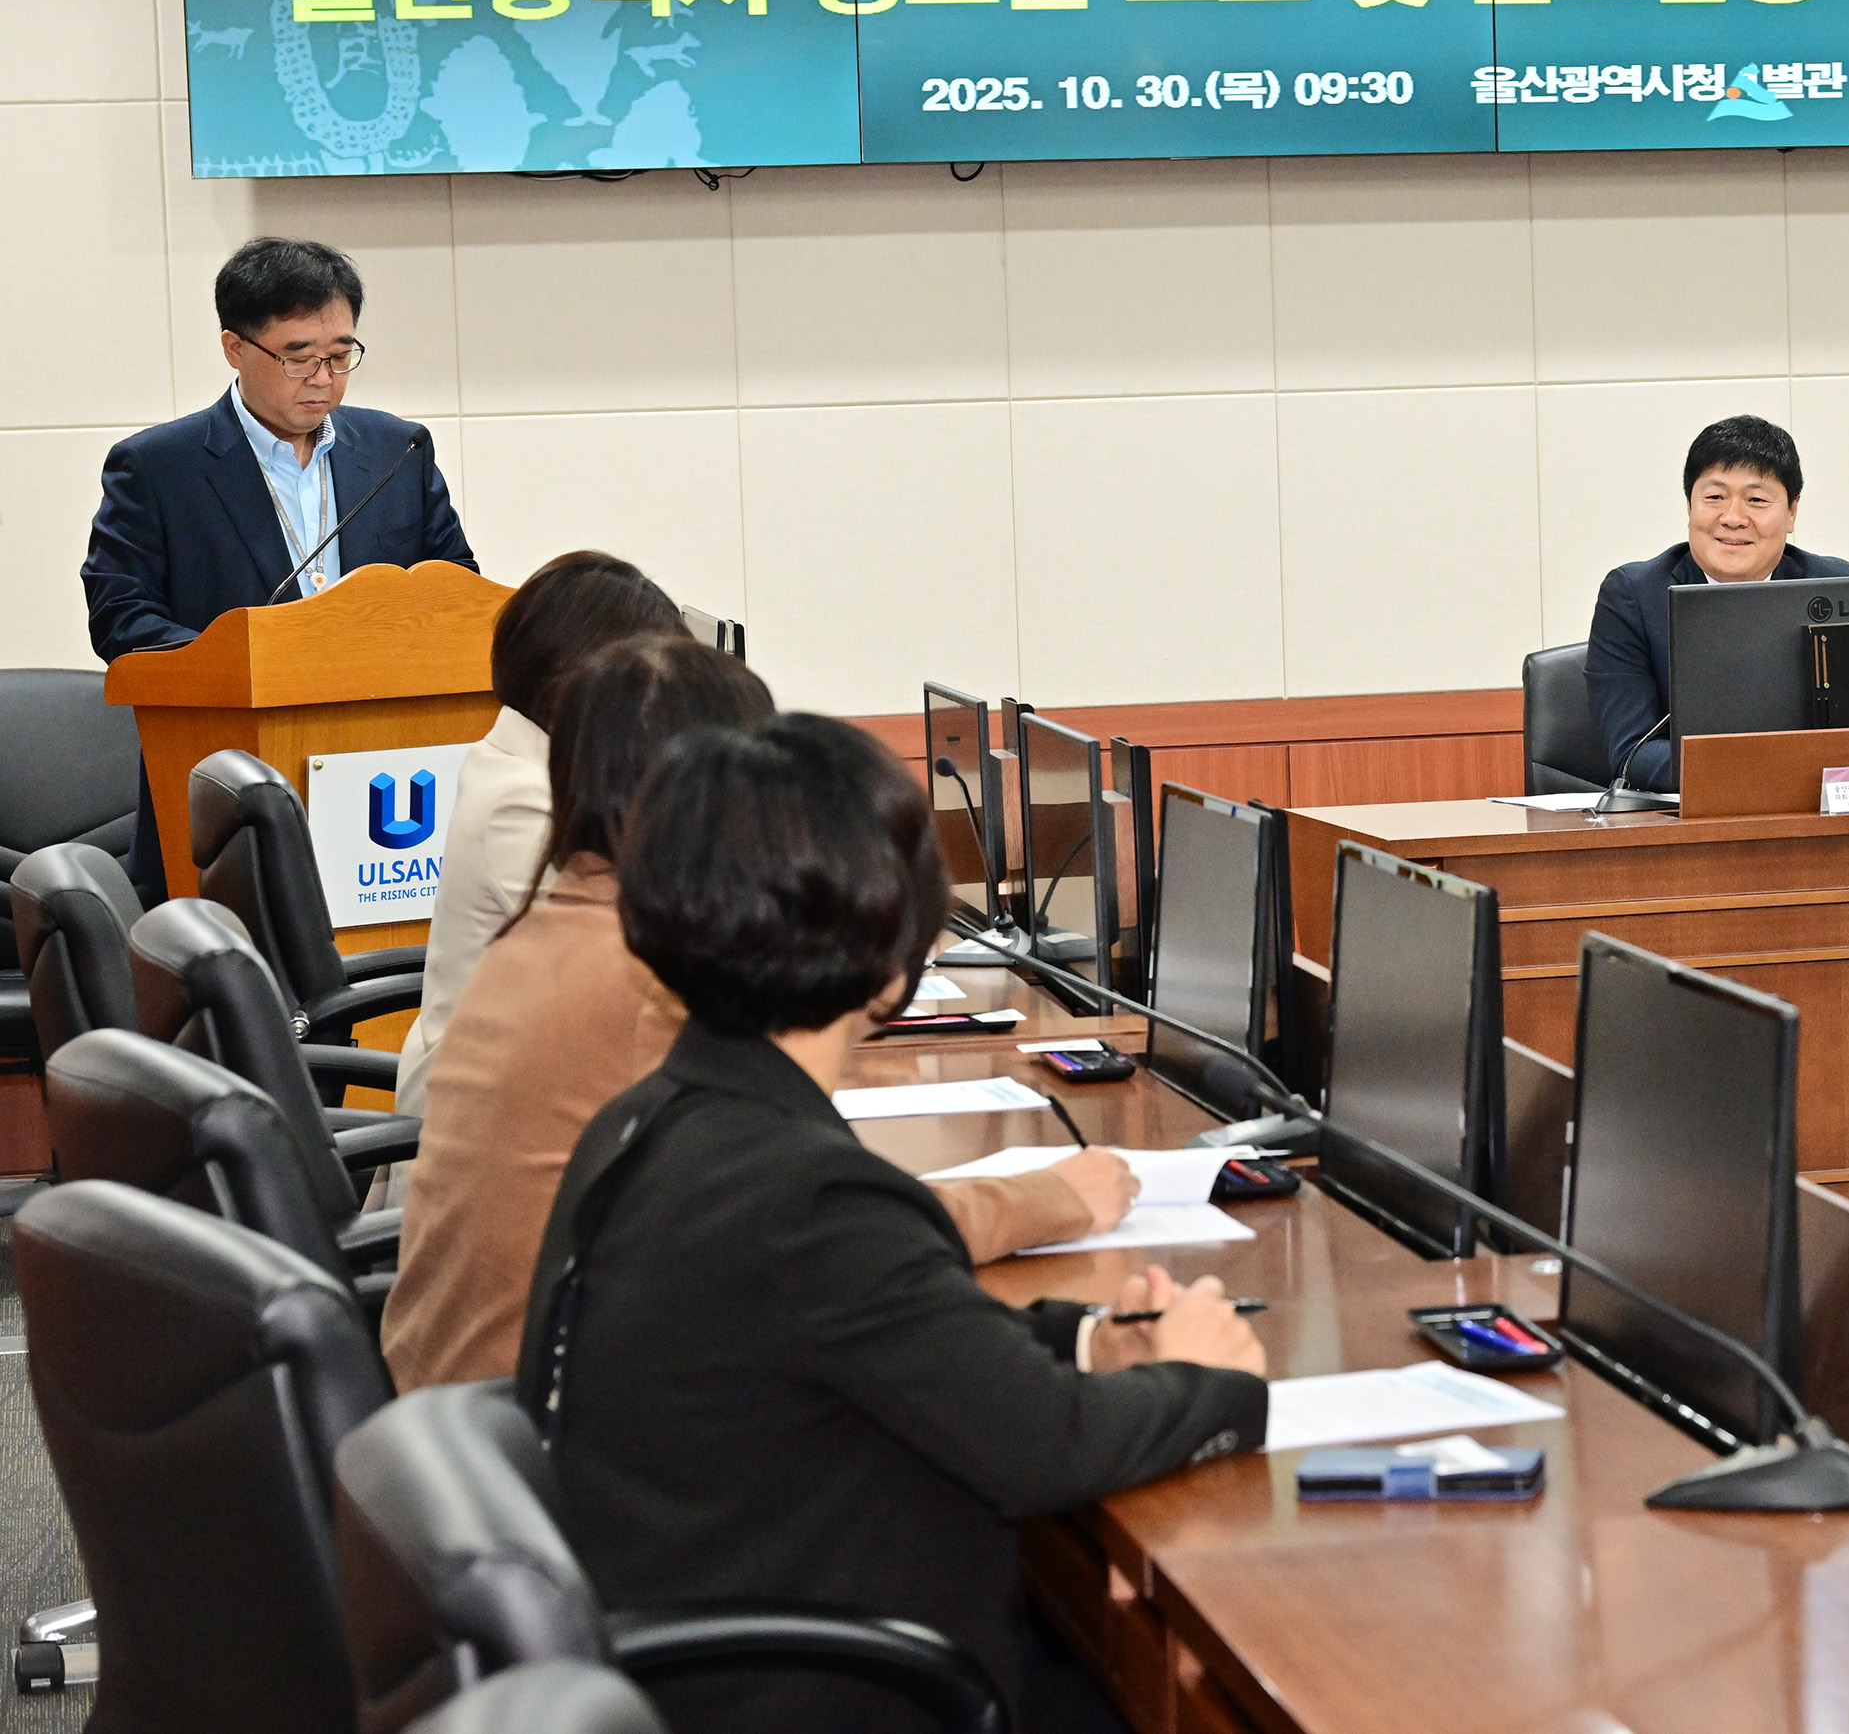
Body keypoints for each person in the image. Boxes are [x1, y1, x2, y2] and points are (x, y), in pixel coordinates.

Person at [521, 713, 1265, 1733]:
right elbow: (1047, 1445)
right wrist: (1209, 1377)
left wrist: (1087, 1336)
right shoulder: (808, 1197)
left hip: (688, 1660)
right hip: (826, 1694)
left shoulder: (656, 1116)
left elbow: (888, 1331)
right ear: (888, 954)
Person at [388, 637, 1132, 1392]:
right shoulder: (647, 978)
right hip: (551, 1420)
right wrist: (1046, 1200)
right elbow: (826, 1238)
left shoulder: (556, 924)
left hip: (460, 1422)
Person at [82, 237, 474, 897]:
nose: (324, 378)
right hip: (227, 788)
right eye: (298, 356)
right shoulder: (158, 467)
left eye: (341, 354)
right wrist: (254, 664)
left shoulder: (396, 450)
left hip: (388, 782)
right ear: (236, 347)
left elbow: (455, 596)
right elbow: (121, 618)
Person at [392, 551, 685, 1115]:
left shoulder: (519, 760)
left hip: (533, 1076)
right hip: (487, 1110)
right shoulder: (521, 800)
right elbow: (636, 968)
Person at [1585, 416, 1849, 792]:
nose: (1733, 518)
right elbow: (1634, 754)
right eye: (1714, 498)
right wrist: (1770, 771)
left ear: (1792, 512)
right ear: (1689, 505)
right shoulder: (1634, 595)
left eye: (1757, 500)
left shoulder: (1837, 588)